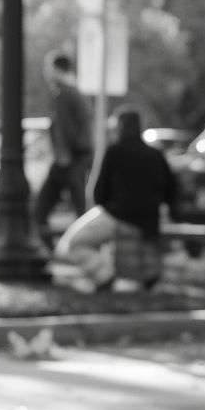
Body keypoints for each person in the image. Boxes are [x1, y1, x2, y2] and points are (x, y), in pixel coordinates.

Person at [54, 106, 177, 291]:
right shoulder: (155, 155)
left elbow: (99, 192)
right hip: (148, 221)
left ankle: (103, 275)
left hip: (117, 214)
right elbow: (171, 191)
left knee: (71, 244)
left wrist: (110, 205)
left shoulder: (116, 151)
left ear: (120, 127)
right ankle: (113, 275)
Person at [34, 51, 93, 247]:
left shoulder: (65, 93)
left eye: (48, 68)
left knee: (43, 209)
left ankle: (62, 250)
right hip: (72, 158)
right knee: (75, 208)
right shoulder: (73, 91)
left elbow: (64, 127)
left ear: (56, 69)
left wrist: (63, 153)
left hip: (68, 159)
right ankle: (57, 250)